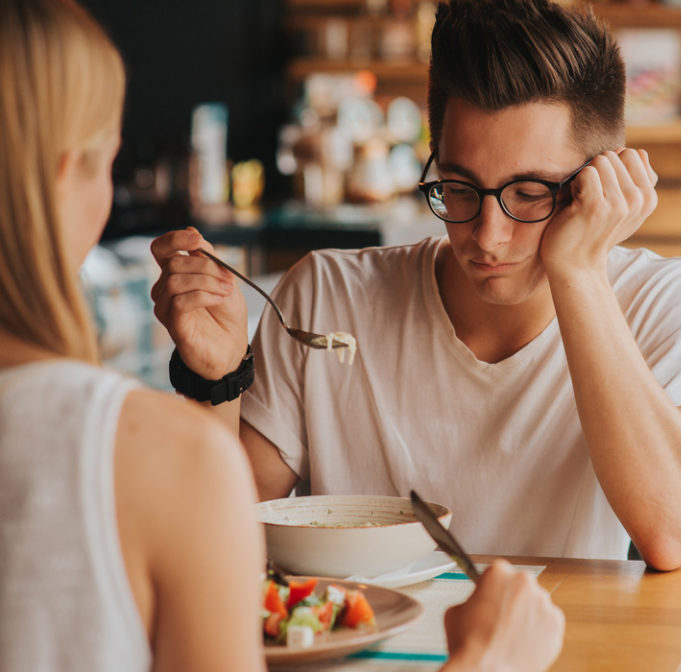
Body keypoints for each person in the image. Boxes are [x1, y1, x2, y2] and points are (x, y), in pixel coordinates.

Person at [0, 1, 564, 671]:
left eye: (530, 193)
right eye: (109, 164)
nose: (490, 233)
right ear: (67, 174)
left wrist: (218, 376)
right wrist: (487, 663)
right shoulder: (146, 457)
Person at [151, 0, 681, 571]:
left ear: (599, 186)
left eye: (529, 193)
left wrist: (579, 272)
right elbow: (216, 536)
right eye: (458, 188)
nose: (488, 235)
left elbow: (677, 531)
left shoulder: (665, 299)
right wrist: (215, 377)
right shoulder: (327, 295)